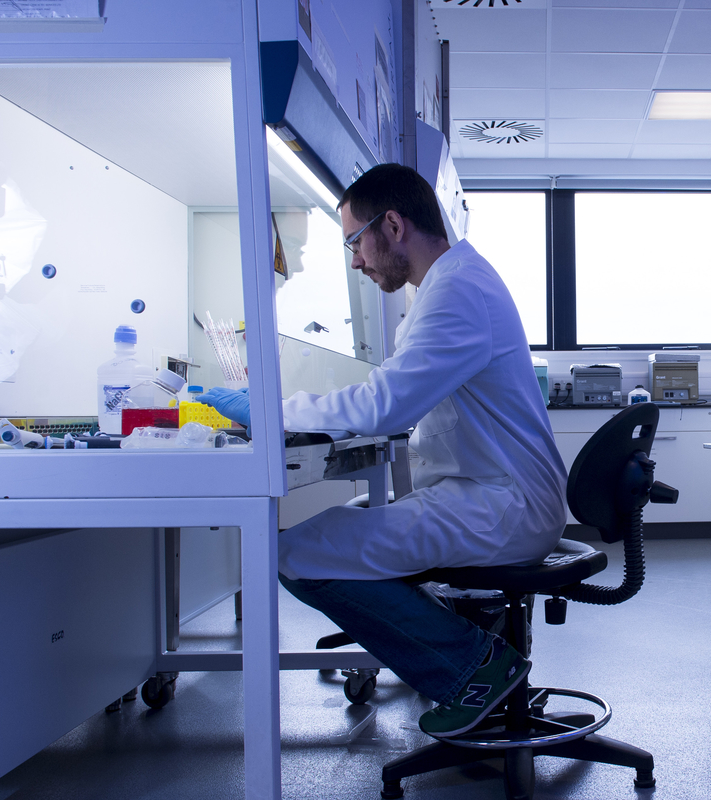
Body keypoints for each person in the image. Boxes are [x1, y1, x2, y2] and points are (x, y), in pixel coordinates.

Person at [198, 163, 567, 738]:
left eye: (354, 241)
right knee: (332, 535)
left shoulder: (457, 290)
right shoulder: (445, 287)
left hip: (503, 505)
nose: (355, 261)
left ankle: (475, 667)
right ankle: (464, 653)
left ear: (391, 224)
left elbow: (385, 405)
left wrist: (272, 410)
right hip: (486, 495)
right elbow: (399, 398)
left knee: (297, 553)